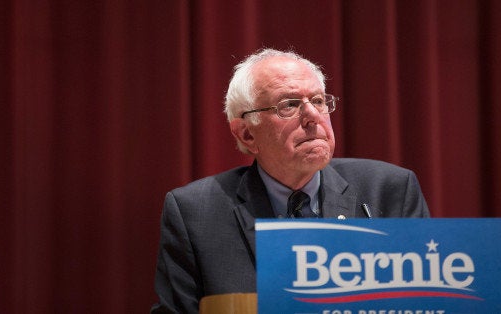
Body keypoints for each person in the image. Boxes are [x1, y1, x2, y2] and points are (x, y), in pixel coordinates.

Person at [151, 48, 429, 313]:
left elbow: (427, 301)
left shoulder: (389, 191)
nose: (313, 116)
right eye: (289, 105)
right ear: (247, 134)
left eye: (319, 101)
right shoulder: (195, 213)